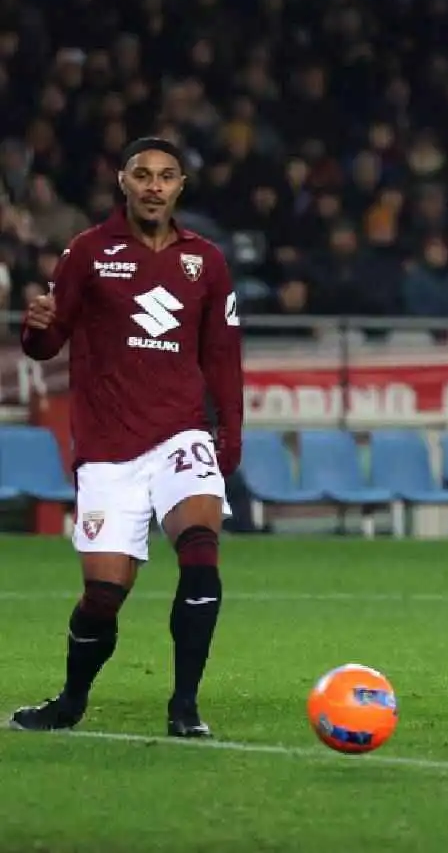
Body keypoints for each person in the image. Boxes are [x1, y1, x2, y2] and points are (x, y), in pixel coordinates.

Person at [9, 138, 244, 738]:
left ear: (180, 186)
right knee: (103, 596)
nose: (154, 186)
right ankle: (70, 701)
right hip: (109, 447)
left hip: (181, 434)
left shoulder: (205, 261)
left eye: (166, 176)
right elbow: (47, 343)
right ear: (124, 182)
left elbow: (222, 356)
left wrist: (230, 433)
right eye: (143, 175)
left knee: (200, 554)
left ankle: (185, 707)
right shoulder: (89, 252)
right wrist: (34, 330)